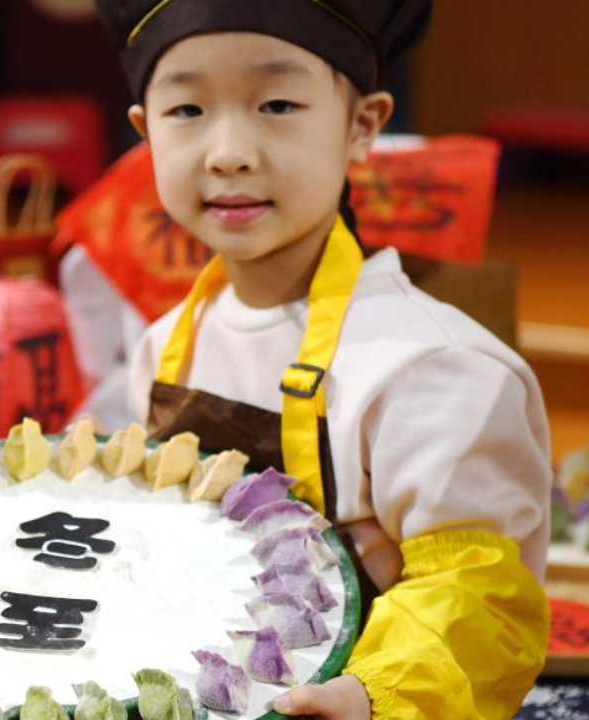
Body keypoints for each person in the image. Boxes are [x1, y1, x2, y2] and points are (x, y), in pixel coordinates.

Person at [93, 1, 552, 717]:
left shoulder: (434, 367)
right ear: (143, 132)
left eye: (277, 103)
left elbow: (475, 595)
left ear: (363, 126)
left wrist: (372, 695)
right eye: (187, 109)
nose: (229, 152)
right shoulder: (164, 343)